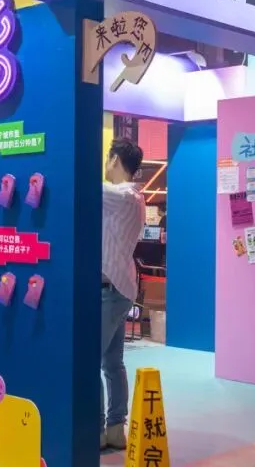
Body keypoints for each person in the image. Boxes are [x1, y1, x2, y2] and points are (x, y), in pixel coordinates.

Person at [99, 138, 145, 450]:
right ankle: (116, 428)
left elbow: (84, 184)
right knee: (113, 363)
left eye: (107, 157)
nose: (105, 164)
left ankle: (97, 429)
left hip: (108, 289)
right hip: (122, 287)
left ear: (115, 159)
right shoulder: (134, 198)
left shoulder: (121, 195)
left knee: (91, 361)